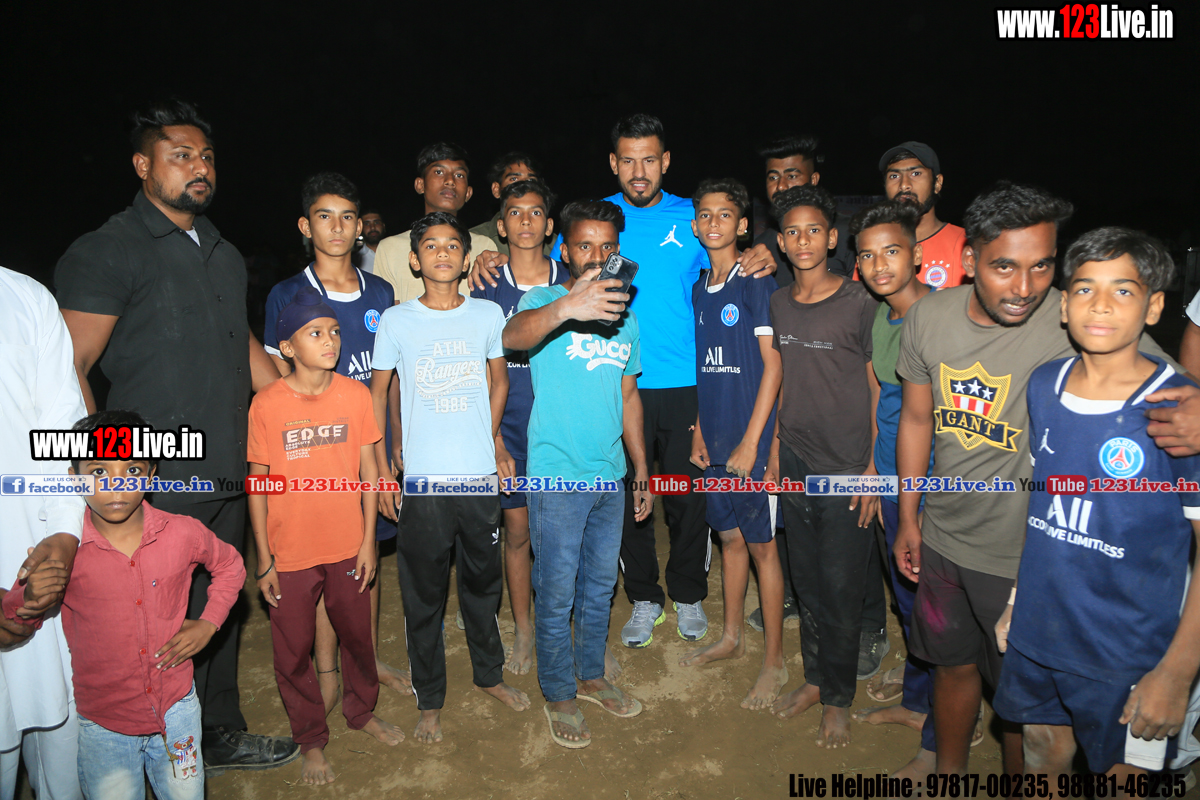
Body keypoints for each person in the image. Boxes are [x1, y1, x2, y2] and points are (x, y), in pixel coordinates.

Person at [892, 181, 1183, 776]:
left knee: (1020, 710)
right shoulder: (929, 317)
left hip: (1025, 559)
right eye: (1004, 266)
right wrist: (907, 516)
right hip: (943, 538)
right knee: (950, 668)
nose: (1025, 287)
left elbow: (1168, 383)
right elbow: (918, 419)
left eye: (1043, 266)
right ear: (970, 260)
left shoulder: (1073, 317)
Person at [470, 114, 778, 648]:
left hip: (685, 381)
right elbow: (545, 255)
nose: (639, 171)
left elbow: (729, 251)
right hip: (612, 381)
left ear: (665, 161)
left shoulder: (693, 218)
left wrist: (763, 250)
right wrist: (488, 255)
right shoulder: (600, 219)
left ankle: (687, 592)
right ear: (613, 163)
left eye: (650, 159)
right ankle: (643, 596)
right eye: (628, 160)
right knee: (630, 494)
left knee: (686, 499)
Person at [54, 99, 295, 772]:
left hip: (227, 468)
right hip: (156, 478)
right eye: (181, 155)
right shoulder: (107, 250)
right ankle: (137, 743)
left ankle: (213, 731)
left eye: (207, 156)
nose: (200, 167)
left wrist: (297, 403)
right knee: (148, 617)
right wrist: (109, 475)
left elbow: (240, 343)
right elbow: (71, 365)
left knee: (217, 602)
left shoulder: (220, 251)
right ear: (142, 165)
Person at [993, 227, 1200, 780]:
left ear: (1154, 307)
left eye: (1123, 290)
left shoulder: (1180, 412)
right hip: (1040, 630)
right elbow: (1043, 504)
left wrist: (1177, 673)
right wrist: (1017, 599)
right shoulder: (1043, 384)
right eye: (1085, 289)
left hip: (1127, 650)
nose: (1101, 305)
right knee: (1041, 755)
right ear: (1063, 305)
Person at [369, 212, 530, 745]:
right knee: (424, 595)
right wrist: (384, 465)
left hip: (479, 478)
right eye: (431, 246)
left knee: (482, 586)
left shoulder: (487, 314)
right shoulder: (396, 321)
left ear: (466, 258)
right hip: (423, 484)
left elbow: (500, 381)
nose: (442, 253)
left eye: (452, 246)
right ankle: (430, 699)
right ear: (415, 261)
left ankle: (489, 676)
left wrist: (488, 438)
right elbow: (379, 393)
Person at [503, 199, 651, 748]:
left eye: (607, 246)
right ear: (564, 251)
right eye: (584, 245)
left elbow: (628, 396)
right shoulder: (543, 301)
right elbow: (512, 336)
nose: (596, 255)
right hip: (557, 477)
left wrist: (641, 468)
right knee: (556, 589)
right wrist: (571, 305)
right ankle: (559, 692)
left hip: (609, 475)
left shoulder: (626, 316)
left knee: (599, 586)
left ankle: (590, 676)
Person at [263, 173, 408, 711]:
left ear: (360, 226)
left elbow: (389, 378)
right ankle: (328, 671)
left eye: (348, 216)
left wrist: (393, 449)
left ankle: (365, 660)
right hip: (320, 458)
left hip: (373, 454)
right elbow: (282, 386)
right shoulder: (287, 294)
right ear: (306, 226)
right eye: (325, 216)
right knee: (326, 565)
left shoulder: (382, 292)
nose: (338, 227)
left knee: (368, 559)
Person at [249, 288, 404, 785]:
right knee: (291, 652)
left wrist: (367, 541)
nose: (330, 340)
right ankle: (311, 738)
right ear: (288, 347)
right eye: (315, 333)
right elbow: (258, 484)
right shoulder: (267, 404)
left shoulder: (355, 395)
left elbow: (368, 472)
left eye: (334, 332)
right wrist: (264, 559)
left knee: (358, 640)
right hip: (290, 552)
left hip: (347, 547)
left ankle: (361, 712)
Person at [63, 409, 245, 799]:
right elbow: (18, 616)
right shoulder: (66, 551)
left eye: (131, 470)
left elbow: (230, 565)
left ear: (150, 475)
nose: (116, 484)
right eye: (98, 471)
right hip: (104, 724)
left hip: (178, 712)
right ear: (74, 476)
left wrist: (209, 622)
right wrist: (29, 595)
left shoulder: (181, 532)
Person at [763, 185, 881, 749]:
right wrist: (774, 449)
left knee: (840, 586)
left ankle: (838, 698)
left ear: (833, 238)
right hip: (794, 457)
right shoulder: (779, 302)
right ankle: (815, 678)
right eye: (793, 231)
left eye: (814, 230)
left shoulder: (860, 303)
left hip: (847, 467)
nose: (803, 240)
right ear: (781, 243)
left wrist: (875, 469)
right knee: (807, 581)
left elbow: (880, 389)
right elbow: (784, 378)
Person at [847, 200, 949, 776]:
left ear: (917, 256)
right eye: (867, 255)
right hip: (893, 480)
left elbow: (945, 421)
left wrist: (928, 501)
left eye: (891, 251)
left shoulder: (942, 317)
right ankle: (917, 702)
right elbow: (883, 403)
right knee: (909, 601)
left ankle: (944, 731)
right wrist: (873, 468)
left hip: (933, 490)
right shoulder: (881, 318)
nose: (879, 264)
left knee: (936, 612)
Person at [679, 179, 788, 712]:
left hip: (749, 442)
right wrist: (701, 427)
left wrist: (753, 443)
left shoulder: (755, 281)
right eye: (705, 214)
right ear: (695, 225)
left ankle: (775, 660)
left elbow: (774, 366)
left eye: (725, 214)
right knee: (729, 539)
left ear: (743, 225)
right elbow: (707, 367)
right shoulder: (701, 287)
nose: (714, 222)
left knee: (763, 546)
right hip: (716, 440)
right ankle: (731, 637)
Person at [469, 178, 567, 676]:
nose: (525, 221)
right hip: (509, 435)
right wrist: (494, 439)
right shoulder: (485, 285)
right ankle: (524, 628)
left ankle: (567, 628)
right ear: (501, 225)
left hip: (563, 436)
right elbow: (476, 371)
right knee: (518, 533)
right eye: (514, 212)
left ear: (549, 225)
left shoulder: (571, 280)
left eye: (535, 212)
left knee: (565, 539)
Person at [0, 265, 88, 800]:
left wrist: (63, 534)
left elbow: (62, 424)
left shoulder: (26, 297)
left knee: (63, 753)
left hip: (40, 568)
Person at [372, 143, 500, 304]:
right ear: (420, 185)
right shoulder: (390, 248)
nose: (450, 181)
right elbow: (390, 311)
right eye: (439, 172)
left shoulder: (484, 247)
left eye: (459, 175)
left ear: (468, 193)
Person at [752, 134, 854, 287]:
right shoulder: (762, 246)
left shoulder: (848, 234)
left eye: (792, 176)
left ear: (813, 180)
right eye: (773, 177)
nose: (781, 186)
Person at [878, 141, 967, 289]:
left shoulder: (966, 244)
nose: (904, 185)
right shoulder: (873, 248)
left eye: (916, 174)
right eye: (894, 176)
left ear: (937, 183)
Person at [469, 153, 549, 257]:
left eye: (531, 180)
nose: (523, 185)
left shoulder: (555, 245)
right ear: (496, 189)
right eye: (514, 179)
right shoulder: (472, 240)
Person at [354, 209, 386, 274]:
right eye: (367, 224)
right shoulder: (355, 261)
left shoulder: (397, 253)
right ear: (360, 228)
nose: (372, 227)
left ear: (383, 226)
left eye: (376, 223)